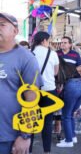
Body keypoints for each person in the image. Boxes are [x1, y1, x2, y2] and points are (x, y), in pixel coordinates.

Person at [0, 12, 42, 154]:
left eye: (2, 25)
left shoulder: (26, 58)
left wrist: (25, 135)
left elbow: (32, 99)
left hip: (8, 137)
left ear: (15, 31)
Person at [29, 31, 59, 154]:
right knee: (47, 122)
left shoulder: (29, 54)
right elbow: (56, 72)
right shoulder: (53, 54)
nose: (49, 42)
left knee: (31, 121)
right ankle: (46, 151)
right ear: (43, 41)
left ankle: (28, 150)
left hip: (32, 92)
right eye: (48, 40)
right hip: (49, 90)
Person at [56, 36, 81, 148]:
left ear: (70, 44)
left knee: (66, 115)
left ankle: (68, 141)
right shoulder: (56, 53)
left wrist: (69, 71)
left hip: (74, 84)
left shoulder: (75, 54)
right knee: (71, 114)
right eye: (61, 42)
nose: (62, 44)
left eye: (65, 42)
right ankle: (73, 136)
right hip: (77, 85)